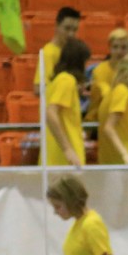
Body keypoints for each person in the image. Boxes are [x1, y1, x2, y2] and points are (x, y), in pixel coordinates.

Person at [41, 38, 89, 168]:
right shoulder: (67, 81)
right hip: (64, 160)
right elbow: (51, 113)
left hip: (58, 158)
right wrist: (68, 149)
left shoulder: (58, 81)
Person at [39, 7, 81, 91]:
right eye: (67, 28)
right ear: (57, 26)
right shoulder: (48, 52)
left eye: (75, 30)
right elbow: (39, 87)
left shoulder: (73, 51)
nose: (71, 34)